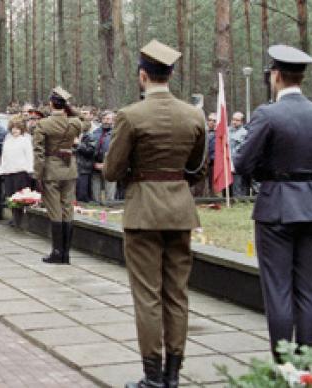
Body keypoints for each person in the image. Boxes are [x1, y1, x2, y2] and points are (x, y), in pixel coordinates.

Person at [103, 40, 206, 388]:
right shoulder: (193, 116)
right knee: (177, 294)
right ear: (171, 74)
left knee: (148, 296)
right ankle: (173, 375)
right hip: (180, 211)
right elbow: (197, 167)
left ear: (143, 76)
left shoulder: (130, 116)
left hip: (143, 212)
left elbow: (112, 170)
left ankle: (152, 376)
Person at [234, 44, 312, 363]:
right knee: (308, 286)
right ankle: (306, 362)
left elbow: (242, 163)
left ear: (277, 76)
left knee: (278, 289)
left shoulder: (267, 114)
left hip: (276, 207)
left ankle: (284, 366)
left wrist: (266, 172)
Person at [33, 87, 82, 264]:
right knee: (67, 209)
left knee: (55, 210)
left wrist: (37, 174)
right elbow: (86, 122)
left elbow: (38, 152)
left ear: (51, 104)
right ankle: (66, 254)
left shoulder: (43, 124)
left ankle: (57, 251)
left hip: (51, 169)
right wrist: (69, 107)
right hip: (69, 169)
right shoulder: (75, 123)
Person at [0, 115, 33, 200]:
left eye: (17, 128)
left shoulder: (25, 140)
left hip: (21, 174)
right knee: (10, 199)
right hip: (8, 174)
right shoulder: (7, 142)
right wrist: (2, 171)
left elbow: (29, 156)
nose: (14, 130)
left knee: (21, 199)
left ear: (21, 129)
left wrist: (30, 171)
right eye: (13, 128)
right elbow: (4, 157)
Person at [91, 111, 117, 203]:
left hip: (110, 165)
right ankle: (96, 204)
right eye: (104, 119)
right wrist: (94, 163)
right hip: (95, 165)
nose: (106, 121)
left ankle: (110, 205)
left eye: (108, 119)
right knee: (95, 195)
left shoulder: (116, 134)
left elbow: (118, 151)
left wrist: (107, 164)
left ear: (113, 120)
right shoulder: (95, 133)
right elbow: (90, 149)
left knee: (110, 190)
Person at [228, 112, 250, 197]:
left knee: (238, 190)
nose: (234, 122)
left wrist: (234, 162)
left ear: (242, 122)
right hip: (227, 165)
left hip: (237, 166)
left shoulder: (245, 133)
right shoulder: (227, 131)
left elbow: (241, 150)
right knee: (227, 191)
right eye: (233, 119)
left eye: (237, 120)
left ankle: (239, 205)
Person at [75, 114, 95, 203]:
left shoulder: (90, 136)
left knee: (82, 193)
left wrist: (78, 144)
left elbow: (90, 151)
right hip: (74, 167)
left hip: (84, 168)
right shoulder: (75, 136)